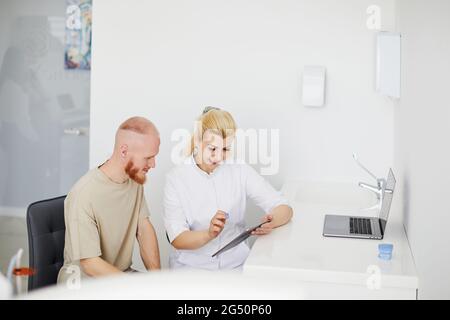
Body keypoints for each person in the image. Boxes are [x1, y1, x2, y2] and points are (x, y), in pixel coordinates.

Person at [163, 107, 293, 270]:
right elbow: (177, 238)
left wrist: (272, 221)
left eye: (225, 149)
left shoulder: (239, 170)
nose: (219, 157)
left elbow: (284, 208)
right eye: (212, 149)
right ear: (197, 141)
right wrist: (208, 234)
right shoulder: (176, 179)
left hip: (236, 265)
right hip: (192, 268)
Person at [58, 117, 161, 285]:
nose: (153, 164)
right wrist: (134, 287)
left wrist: (158, 282)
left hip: (119, 275)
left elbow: (144, 230)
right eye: (148, 157)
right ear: (123, 151)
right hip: (83, 283)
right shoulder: (83, 194)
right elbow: (90, 264)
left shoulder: (134, 180)